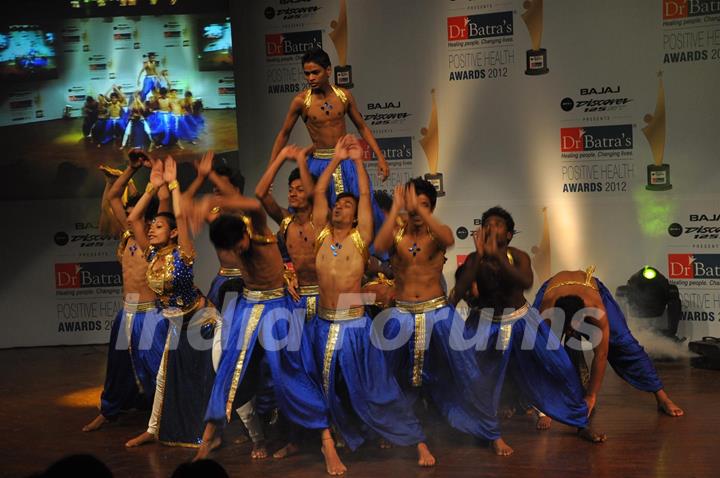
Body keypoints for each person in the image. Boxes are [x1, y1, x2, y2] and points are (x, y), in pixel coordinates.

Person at [308, 135, 434, 471]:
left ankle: (415, 439)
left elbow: (364, 194)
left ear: (355, 216)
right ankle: (328, 444)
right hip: (322, 324)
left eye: (346, 205)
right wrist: (334, 160)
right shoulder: (321, 233)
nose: (340, 206)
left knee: (379, 387)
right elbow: (320, 192)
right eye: (338, 204)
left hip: (355, 326)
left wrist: (358, 162)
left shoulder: (360, 237)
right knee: (322, 388)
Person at [448, 206, 606, 455]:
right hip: (489, 326)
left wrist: (497, 255)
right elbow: (461, 288)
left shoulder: (518, 256)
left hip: (524, 322)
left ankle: (580, 423)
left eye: (498, 224)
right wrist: (479, 258)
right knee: (484, 382)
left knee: (562, 369)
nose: (491, 227)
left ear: (509, 234)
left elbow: (525, 282)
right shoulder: (473, 260)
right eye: (487, 223)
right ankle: (493, 435)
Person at [193, 188, 332, 470]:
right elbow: (208, 218)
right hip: (247, 306)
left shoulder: (257, 227)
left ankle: (326, 441)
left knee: (291, 373)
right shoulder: (228, 235)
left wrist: (216, 197)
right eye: (233, 249)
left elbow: (254, 199)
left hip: (278, 307)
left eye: (239, 245)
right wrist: (194, 200)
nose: (239, 251)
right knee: (228, 371)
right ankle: (206, 441)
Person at [124, 156, 220, 448]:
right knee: (165, 378)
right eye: (151, 225)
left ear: (174, 233)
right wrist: (152, 188)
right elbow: (132, 219)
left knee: (213, 375)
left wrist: (175, 185)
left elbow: (179, 216)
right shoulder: (151, 254)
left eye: (158, 226)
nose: (151, 229)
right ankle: (153, 430)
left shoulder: (183, 253)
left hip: (202, 321)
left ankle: (237, 435)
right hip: (176, 324)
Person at [531, 266, 684, 430]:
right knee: (535, 350)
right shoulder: (546, 313)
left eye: (573, 329)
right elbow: (540, 360)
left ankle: (662, 397)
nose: (570, 332)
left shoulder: (596, 310)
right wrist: (544, 409)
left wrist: (591, 396)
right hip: (553, 288)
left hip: (590, 288)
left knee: (625, 344)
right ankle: (539, 403)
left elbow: (601, 355)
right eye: (567, 329)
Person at [83, 151, 169, 433]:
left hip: (149, 315)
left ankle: (167, 415)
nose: (130, 217)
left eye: (136, 214)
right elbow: (112, 198)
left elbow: (162, 202)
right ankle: (109, 411)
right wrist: (130, 170)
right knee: (117, 368)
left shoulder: (153, 241)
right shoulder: (128, 235)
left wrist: (158, 183)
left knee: (156, 368)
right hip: (126, 314)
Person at [270, 47, 389, 233]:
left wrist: (380, 157)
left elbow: (362, 127)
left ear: (328, 70)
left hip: (347, 163)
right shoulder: (301, 101)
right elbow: (284, 133)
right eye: (307, 74)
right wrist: (272, 168)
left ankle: (362, 256)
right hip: (317, 166)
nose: (311, 78)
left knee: (362, 208)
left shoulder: (344, 95)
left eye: (315, 72)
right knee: (316, 215)